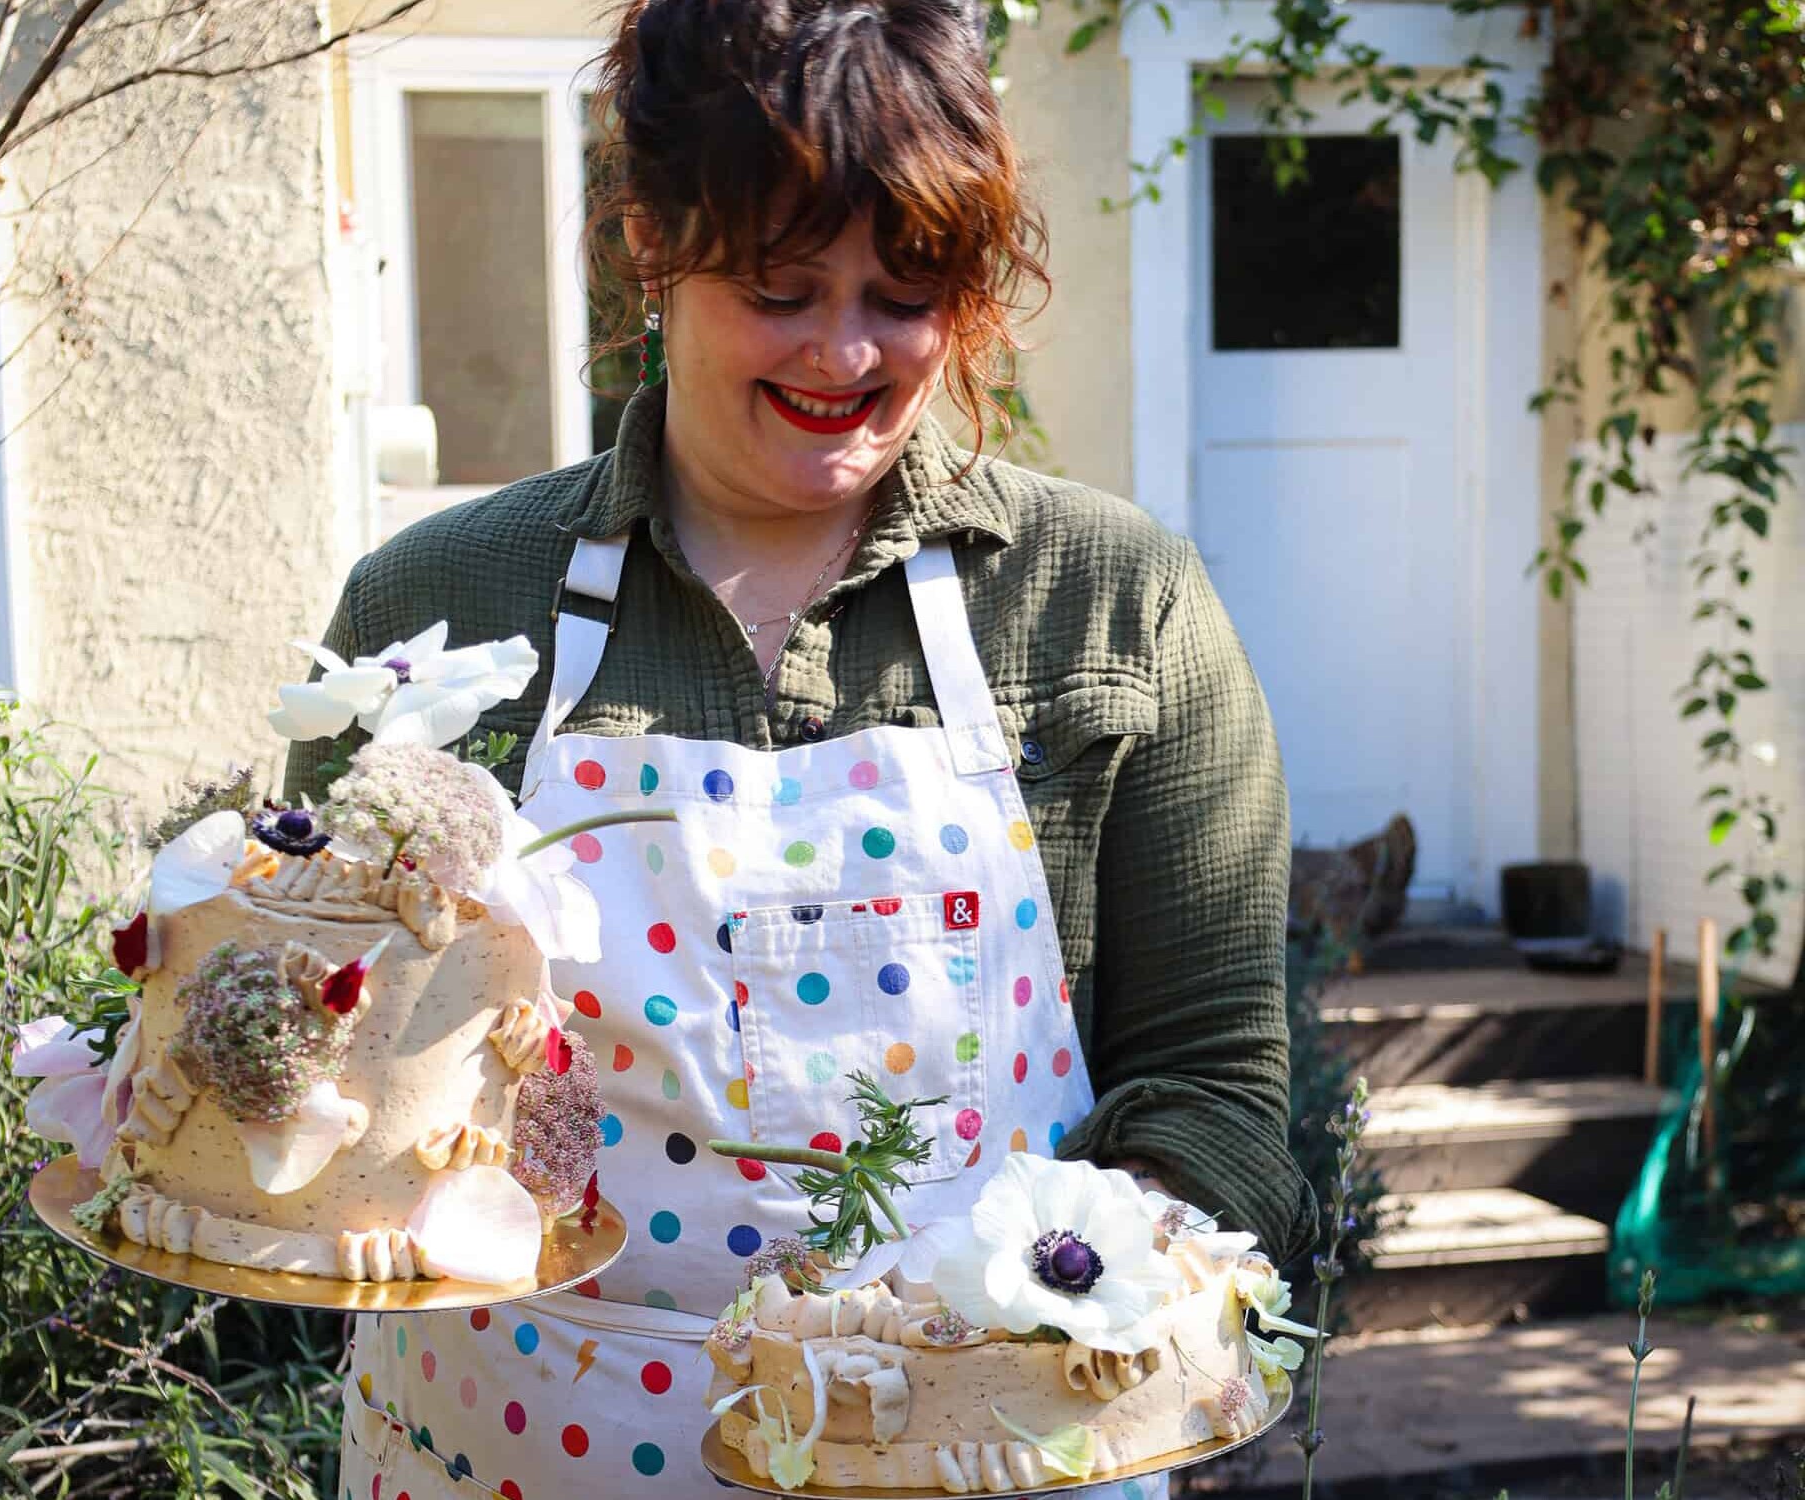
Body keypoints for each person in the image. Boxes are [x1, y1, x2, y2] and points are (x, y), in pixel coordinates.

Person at [290, 2, 1314, 1493]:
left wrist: (1027, 1316)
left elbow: (1216, 1083)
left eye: (904, 295)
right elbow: (327, 1036)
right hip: (513, 1448)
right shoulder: (438, 606)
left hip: (986, 1458)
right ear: (653, 244)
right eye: (781, 288)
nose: (845, 351)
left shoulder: (1108, 603)